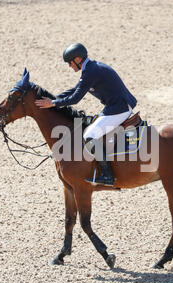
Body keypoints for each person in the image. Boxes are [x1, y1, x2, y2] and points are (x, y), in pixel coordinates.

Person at [35, 43, 137, 186]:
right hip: (115, 107)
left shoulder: (91, 72)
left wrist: (53, 104)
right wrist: (53, 99)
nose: (70, 66)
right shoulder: (91, 69)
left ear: (77, 59)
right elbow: (74, 90)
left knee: (90, 135)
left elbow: (75, 98)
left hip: (120, 109)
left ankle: (107, 174)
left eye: (70, 63)